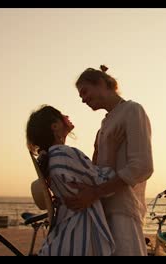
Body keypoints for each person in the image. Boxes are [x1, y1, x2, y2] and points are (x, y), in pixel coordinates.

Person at [65, 65, 154, 256]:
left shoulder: (132, 110)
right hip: (102, 211)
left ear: (101, 83)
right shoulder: (105, 124)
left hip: (122, 209)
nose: (83, 99)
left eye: (85, 92)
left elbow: (142, 167)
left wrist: (95, 192)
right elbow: (99, 169)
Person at [26, 105, 122, 256]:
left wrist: (96, 151)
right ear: (55, 126)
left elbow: (89, 176)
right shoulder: (64, 154)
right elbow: (104, 179)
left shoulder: (53, 158)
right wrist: (114, 149)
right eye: (62, 115)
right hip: (78, 236)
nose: (67, 116)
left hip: (65, 232)